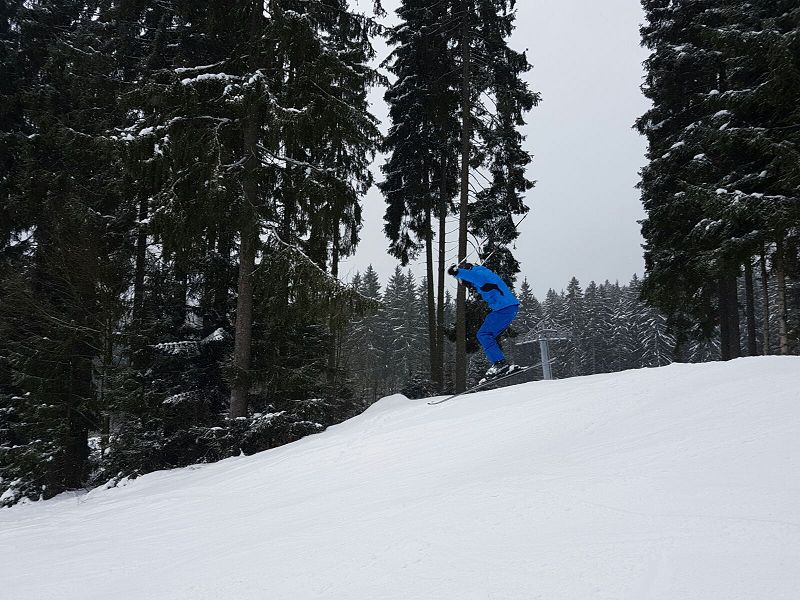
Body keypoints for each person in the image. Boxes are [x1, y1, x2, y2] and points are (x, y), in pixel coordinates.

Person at [447, 262, 520, 381]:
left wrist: (457, 273)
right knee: (487, 335)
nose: (468, 286)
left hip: (504, 309)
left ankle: (500, 363)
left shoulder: (479, 275)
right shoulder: (484, 273)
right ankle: (500, 363)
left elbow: (475, 278)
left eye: (465, 283)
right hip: (507, 308)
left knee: (483, 334)